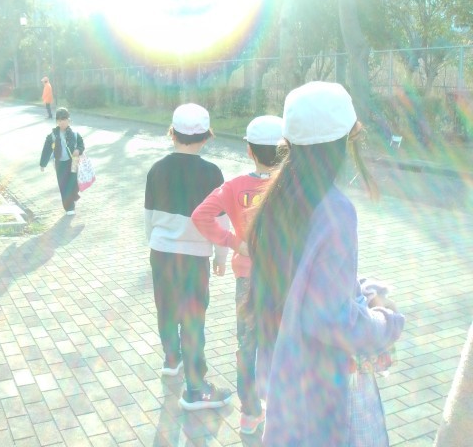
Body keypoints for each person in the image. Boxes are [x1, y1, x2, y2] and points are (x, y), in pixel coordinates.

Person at [246, 81, 405, 445]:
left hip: (286, 382)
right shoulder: (336, 211)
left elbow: (302, 282)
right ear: (345, 140)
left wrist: (357, 287)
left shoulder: (279, 196)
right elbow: (329, 319)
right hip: (324, 397)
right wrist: (387, 322)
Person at [191, 115, 284, 434]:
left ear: (249, 150)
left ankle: (249, 412)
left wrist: (234, 242)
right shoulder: (292, 187)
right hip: (284, 279)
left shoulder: (233, 187)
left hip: (247, 278)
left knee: (247, 343)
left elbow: (200, 215)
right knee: (280, 340)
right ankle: (280, 406)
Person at [144, 103, 233, 411]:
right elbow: (221, 221)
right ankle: (196, 388)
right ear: (207, 137)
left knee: (166, 307)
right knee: (193, 317)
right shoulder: (212, 173)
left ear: (172, 133)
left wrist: (156, 244)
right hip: (195, 257)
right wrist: (220, 255)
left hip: (162, 253)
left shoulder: (157, 169)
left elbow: (149, 217)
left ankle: (172, 359)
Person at [39, 107, 83, 215]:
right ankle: (69, 208)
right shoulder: (53, 135)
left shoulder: (74, 134)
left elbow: (81, 144)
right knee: (63, 185)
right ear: (56, 122)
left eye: (64, 120)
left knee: (73, 183)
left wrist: (78, 150)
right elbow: (47, 149)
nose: (61, 122)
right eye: (59, 120)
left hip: (73, 162)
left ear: (69, 120)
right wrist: (43, 164)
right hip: (60, 164)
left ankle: (73, 196)